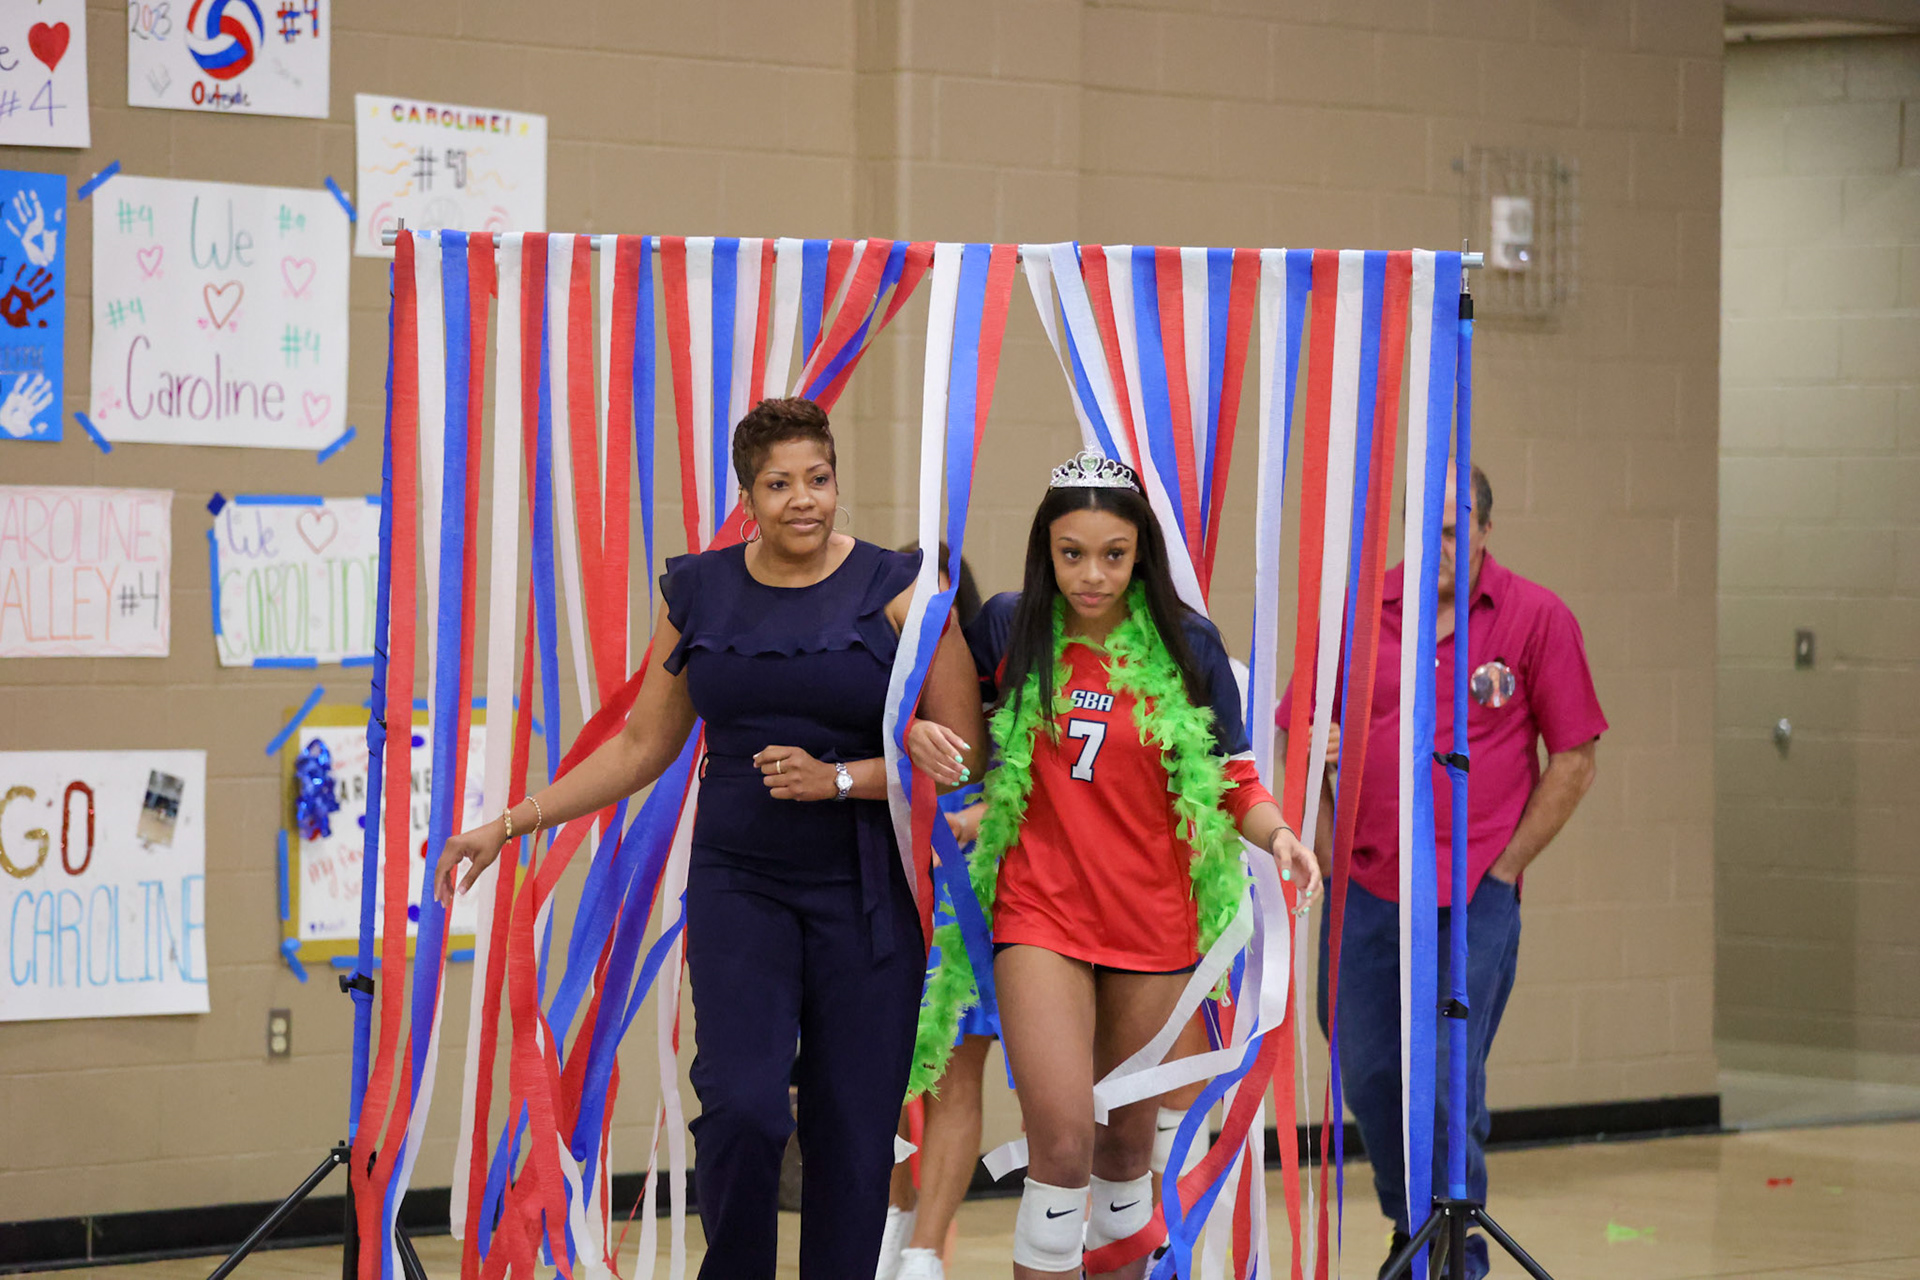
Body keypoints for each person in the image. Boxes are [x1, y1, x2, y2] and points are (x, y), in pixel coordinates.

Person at [434, 397, 987, 1280]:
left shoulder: (903, 591)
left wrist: (848, 773)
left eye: (819, 478)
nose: (803, 500)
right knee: (745, 1107)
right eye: (779, 484)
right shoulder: (699, 591)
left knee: (851, 1137)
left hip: (866, 892)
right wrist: (508, 825)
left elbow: (964, 759)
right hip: (742, 884)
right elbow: (642, 746)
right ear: (747, 495)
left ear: (838, 478)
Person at [918, 448, 1321, 1280]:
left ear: (1141, 553)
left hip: (1154, 923)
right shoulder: (1009, 625)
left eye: (1113, 554)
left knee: (1126, 1150)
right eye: (1072, 554)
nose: (1091, 575)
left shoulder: (1188, 645)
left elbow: (1230, 775)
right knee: (1061, 1145)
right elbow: (949, 713)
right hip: (1044, 916)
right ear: (1046, 550)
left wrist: (1278, 833)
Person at [1275, 464, 1606, 1280]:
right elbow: (1295, 735)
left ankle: (1458, 1255)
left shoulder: (1536, 618)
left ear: (1487, 530)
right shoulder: (1359, 616)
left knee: (1448, 1081)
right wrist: (1319, 840)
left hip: (1472, 896)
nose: (1442, 546)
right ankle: (1410, 1223)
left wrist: (1508, 869)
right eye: (1427, 528)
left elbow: (1575, 756)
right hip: (1369, 888)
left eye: (1457, 529)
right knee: (1370, 1066)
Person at [879, 547, 999, 1280]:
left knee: (952, 1072)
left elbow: (1031, 773)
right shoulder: (865, 678)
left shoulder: (999, 672)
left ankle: (925, 1250)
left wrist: (982, 812)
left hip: (966, 887)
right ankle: (893, 1222)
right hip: (881, 875)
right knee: (881, 1070)